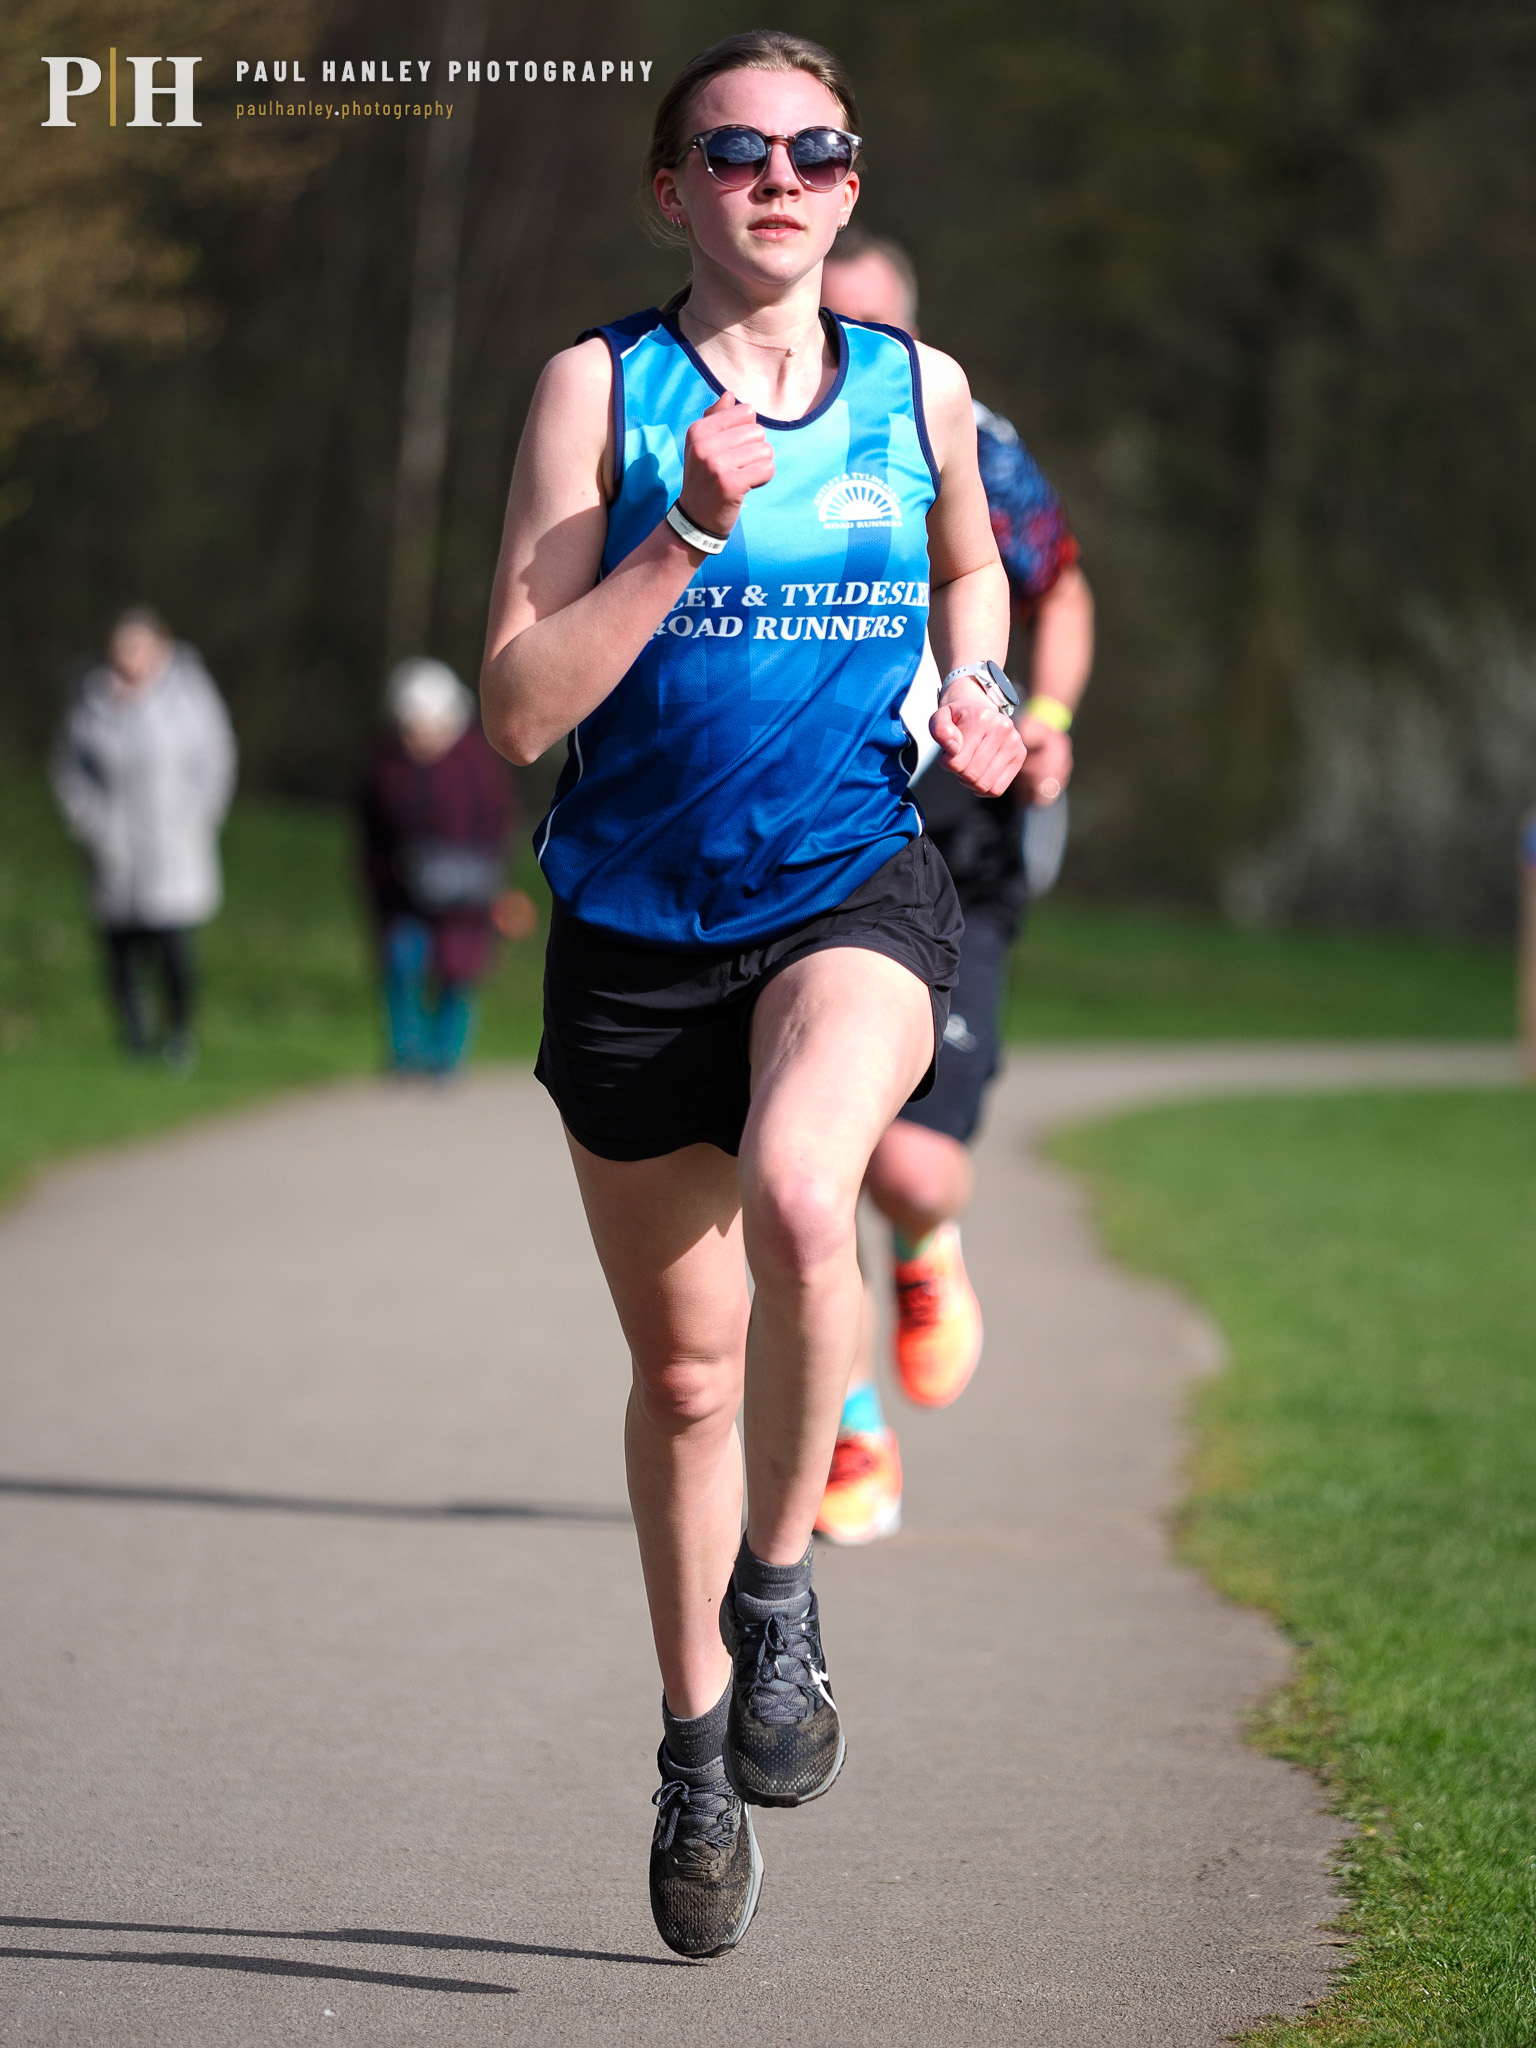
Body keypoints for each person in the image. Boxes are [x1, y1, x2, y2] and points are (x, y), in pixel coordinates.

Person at [479, 30, 1024, 1959]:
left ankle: (777, 1597)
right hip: (633, 932)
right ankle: (696, 1743)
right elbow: (522, 707)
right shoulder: (598, 392)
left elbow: (974, 569)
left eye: (817, 148)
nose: (779, 176)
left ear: (851, 185)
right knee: (689, 1370)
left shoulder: (914, 385)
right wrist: (686, 530)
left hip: (847, 884)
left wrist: (985, 688)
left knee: (813, 1189)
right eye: (736, 150)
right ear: (675, 191)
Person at [815, 233, 1095, 1545]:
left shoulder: (972, 434)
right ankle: (847, 1419)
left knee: (912, 1167)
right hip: (810, 823)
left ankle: (925, 1251)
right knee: (808, 1159)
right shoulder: (740, 420)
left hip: (958, 823)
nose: (853, 347)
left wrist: (1044, 710)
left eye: (879, 328)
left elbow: (1060, 584)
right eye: (834, 320)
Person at [52, 606, 238, 1074]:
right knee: (120, 949)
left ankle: (177, 1033)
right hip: (113, 845)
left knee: (173, 946)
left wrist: (200, 813)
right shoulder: (92, 699)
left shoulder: (189, 697)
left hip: (175, 843)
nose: (129, 657)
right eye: (122, 648)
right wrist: (88, 820)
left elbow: (217, 758)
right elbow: (69, 769)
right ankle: (134, 1036)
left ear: (162, 649)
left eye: (139, 647)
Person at [359, 658, 521, 1077]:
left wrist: (495, 884)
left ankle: (446, 1057)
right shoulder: (385, 766)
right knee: (401, 964)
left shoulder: (478, 764)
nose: (418, 737)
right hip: (402, 892)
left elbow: (499, 826)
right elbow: (371, 831)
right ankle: (404, 1053)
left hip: (468, 893)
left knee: (457, 974)